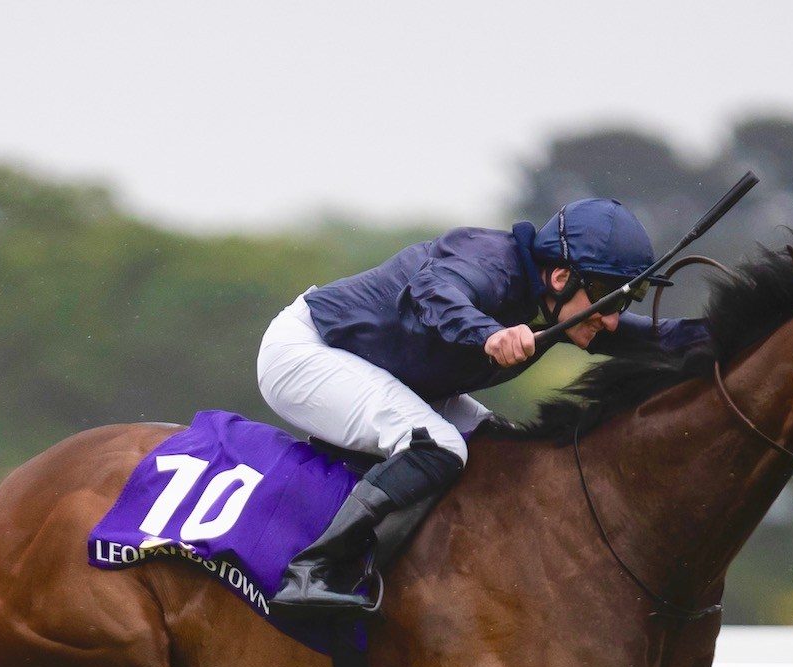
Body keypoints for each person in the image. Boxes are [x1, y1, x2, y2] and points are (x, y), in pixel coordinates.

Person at [257, 197, 709, 613]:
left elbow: (663, 338)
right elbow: (431, 290)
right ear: (560, 276)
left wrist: (752, 330)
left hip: (386, 371)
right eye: (607, 295)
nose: (611, 319)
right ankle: (312, 569)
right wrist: (488, 334)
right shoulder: (489, 261)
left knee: (502, 450)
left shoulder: (561, 304)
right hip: (308, 350)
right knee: (439, 446)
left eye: (626, 299)